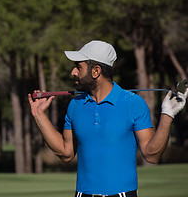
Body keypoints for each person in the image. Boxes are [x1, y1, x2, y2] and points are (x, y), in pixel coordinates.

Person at [28, 40, 188, 197]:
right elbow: (66, 153)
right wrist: (39, 115)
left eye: (78, 67)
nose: (73, 72)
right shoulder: (75, 105)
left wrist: (167, 115)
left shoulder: (134, 104)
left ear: (96, 71)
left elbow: (152, 155)